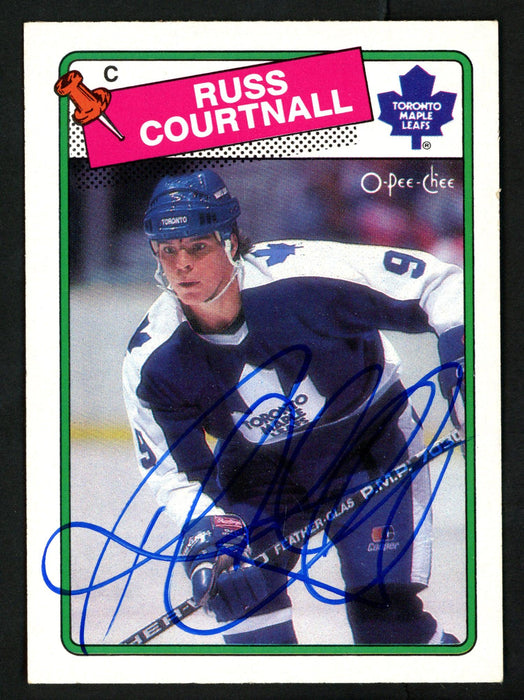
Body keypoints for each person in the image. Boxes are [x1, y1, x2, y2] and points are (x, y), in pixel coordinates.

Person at [123, 169, 465, 646]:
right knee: (245, 614)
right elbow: (172, 472)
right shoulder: (153, 361)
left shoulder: (306, 275)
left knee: (389, 628)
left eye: (197, 247)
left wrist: (466, 363)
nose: (182, 265)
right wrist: (209, 530)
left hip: (370, 443)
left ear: (231, 241)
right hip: (259, 473)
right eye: (168, 250)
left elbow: (440, 284)